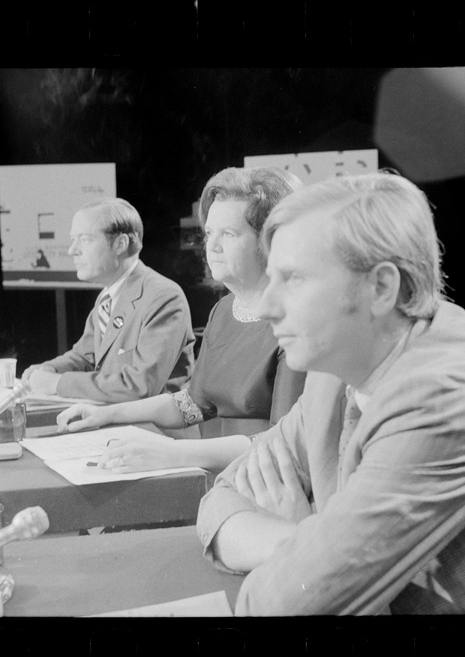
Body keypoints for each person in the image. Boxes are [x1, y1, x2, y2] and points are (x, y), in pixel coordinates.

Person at [196, 171, 465, 616]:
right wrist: (304, 541)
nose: (269, 306)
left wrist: (307, 541)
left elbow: (281, 604)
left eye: (292, 279)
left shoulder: (444, 400)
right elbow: (221, 498)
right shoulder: (339, 366)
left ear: (382, 288)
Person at [55, 167, 307, 475]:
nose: (211, 246)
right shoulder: (225, 309)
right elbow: (191, 404)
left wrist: (173, 452)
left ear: (271, 240)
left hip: (268, 483)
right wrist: (105, 415)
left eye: (228, 234)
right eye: (209, 233)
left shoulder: (299, 320)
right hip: (217, 474)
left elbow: (285, 444)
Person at [22, 198, 195, 404]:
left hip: (154, 430)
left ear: (120, 244)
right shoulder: (107, 298)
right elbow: (85, 357)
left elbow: (140, 386)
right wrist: (48, 369)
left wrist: (57, 383)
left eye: (84, 239)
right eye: (73, 239)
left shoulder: (164, 297)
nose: (72, 250)